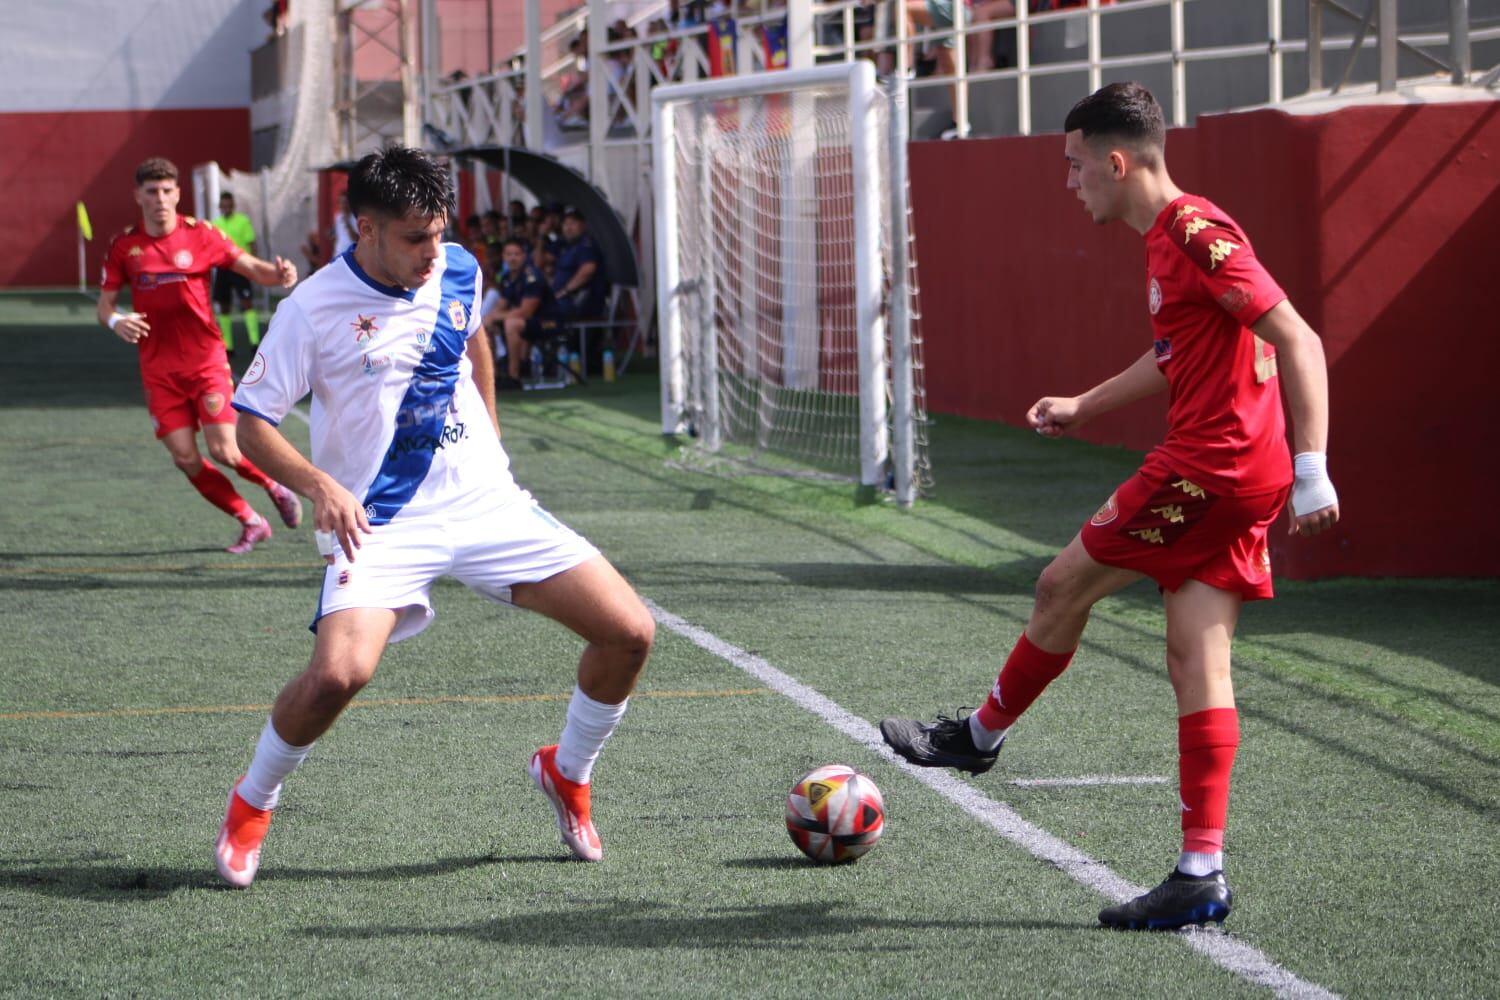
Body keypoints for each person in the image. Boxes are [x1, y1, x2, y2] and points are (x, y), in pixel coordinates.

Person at [880, 82, 1339, 930]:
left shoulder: (1196, 230)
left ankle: (977, 738)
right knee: (1196, 659)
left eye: (1074, 164)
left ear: (1116, 161)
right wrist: (1085, 405)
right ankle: (1200, 872)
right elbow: (1179, 350)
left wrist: (1315, 466)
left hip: (1212, 468)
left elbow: (1297, 338)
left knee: (1061, 586)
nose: (1069, 182)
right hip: (1237, 472)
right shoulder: (1169, 239)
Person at [215, 145, 654, 888]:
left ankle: (567, 772)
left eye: (439, 231)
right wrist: (319, 484)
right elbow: (252, 422)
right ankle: (251, 804)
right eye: (414, 237)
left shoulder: (456, 266)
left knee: (630, 632)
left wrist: (494, 435)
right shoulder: (313, 308)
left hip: (486, 503)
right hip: (379, 520)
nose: (433, 250)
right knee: (337, 676)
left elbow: (472, 337)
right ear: (367, 229)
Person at [98, 157, 304, 554]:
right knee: (184, 456)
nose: (160, 198)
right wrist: (116, 322)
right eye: (152, 191)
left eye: (166, 191)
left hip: (205, 360)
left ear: (178, 194)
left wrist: (279, 275)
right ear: (138, 196)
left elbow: (253, 269)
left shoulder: (201, 235)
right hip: (158, 368)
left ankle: (275, 486)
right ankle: (250, 520)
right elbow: (106, 306)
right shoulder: (125, 246)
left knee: (224, 449)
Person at [484, 236, 561, 389]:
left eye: (516, 254)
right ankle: (494, 376)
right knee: (486, 323)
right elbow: (501, 305)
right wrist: (490, 318)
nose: (512, 258)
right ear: (504, 257)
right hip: (527, 322)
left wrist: (496, 316)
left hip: (548, 323)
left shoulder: (532, 276)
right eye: (508, 254)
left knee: (511, 324)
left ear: (524, 256)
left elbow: (526, 311)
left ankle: (514, 377)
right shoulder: (507, 278)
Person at [210, 192, 261, 356]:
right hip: (223, 269)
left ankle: (255, 342)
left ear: (233, 205)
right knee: (224, 307)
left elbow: (251, 243)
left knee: (247, 303)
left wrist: (253, 266)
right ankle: (228, 346)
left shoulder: (243, 221)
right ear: (219, 207)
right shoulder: (215, 224)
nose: (226, 208)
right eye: (223, 205)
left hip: (241, 267)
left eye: (229, 205)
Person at [551, 207, 607, 323]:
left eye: (573, 223)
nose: (568, 228)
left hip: (577, 304)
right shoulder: (568, 246)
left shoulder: (586, 246)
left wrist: (565, 291)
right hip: (561, 302)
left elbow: (588, 270)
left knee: (536, 323)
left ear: (583, 225)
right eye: (565, 224)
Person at [330, 192, 358, 258]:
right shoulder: (338, 217)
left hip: (351, 255)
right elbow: (337, 237)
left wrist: (347, 223)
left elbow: (357, 239)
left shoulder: (356, 218)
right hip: (338, 253)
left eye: (345, 202)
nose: (343, 205)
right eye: (341, 203)